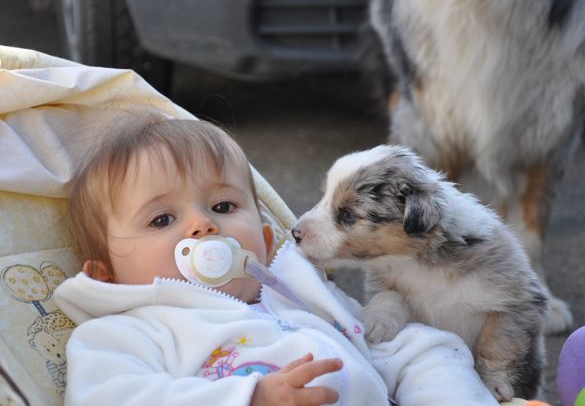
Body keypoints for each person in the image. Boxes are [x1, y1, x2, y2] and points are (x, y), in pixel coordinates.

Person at [54, 118, 502, 406]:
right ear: (106, 274)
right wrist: (249, 396)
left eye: (223, 207)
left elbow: (400, 353)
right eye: (162, 218)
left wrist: (445, 387)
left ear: (266, 241)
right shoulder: (123, 333)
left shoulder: (303, 297)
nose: (202, 226)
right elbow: (114, 399)